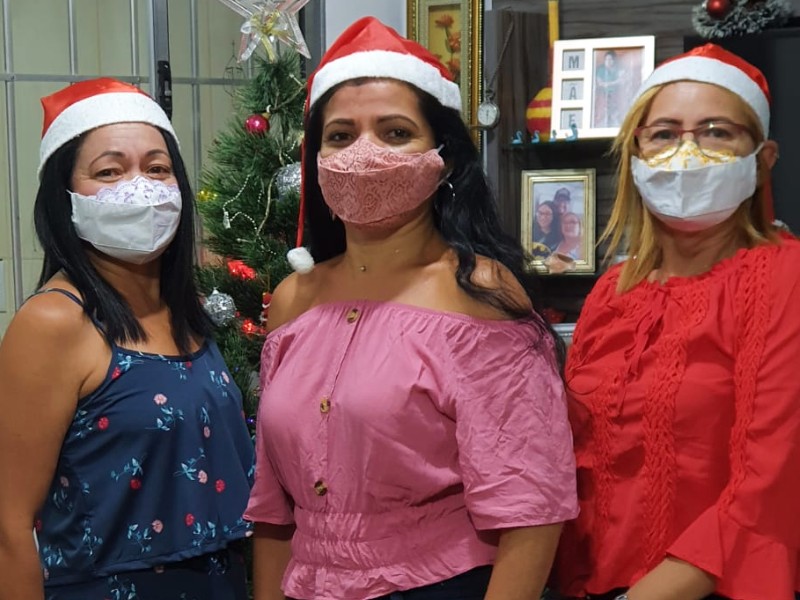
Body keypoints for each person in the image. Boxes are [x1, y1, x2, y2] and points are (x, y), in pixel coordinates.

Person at [244, 16, 578, 600]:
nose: (365, 153)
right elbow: (275, 508)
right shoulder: (294, 301)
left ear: (444, 158)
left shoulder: (480, 293)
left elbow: (532, 510)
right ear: (316, 160)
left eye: (396, 133)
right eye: (341, 136)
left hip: (442, 583)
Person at [552, 44, 800, 600]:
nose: (687, 151)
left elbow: (769, 487)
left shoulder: (784, 276)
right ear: (635, 156)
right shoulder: (610, 294)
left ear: (763, 156)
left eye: (716, 132)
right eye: (663, 134)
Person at [0, 78, 254, 599]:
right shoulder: (55, 322)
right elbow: (8, 525)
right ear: (63, 195)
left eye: (157, 168)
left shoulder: (188, 312)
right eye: (109, 171)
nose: (139, 187)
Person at [594, 50, 625, 128]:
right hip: (603, 94)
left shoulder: (618, 69)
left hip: (616, 94)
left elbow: (622, 81)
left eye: (610, 59)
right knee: (605, 110)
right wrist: (615, 82)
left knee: (615, 111)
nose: (608, 62)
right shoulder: (601, 69)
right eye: (606, 60)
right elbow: (600, 83)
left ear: (614, 61)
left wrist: (607, 84)